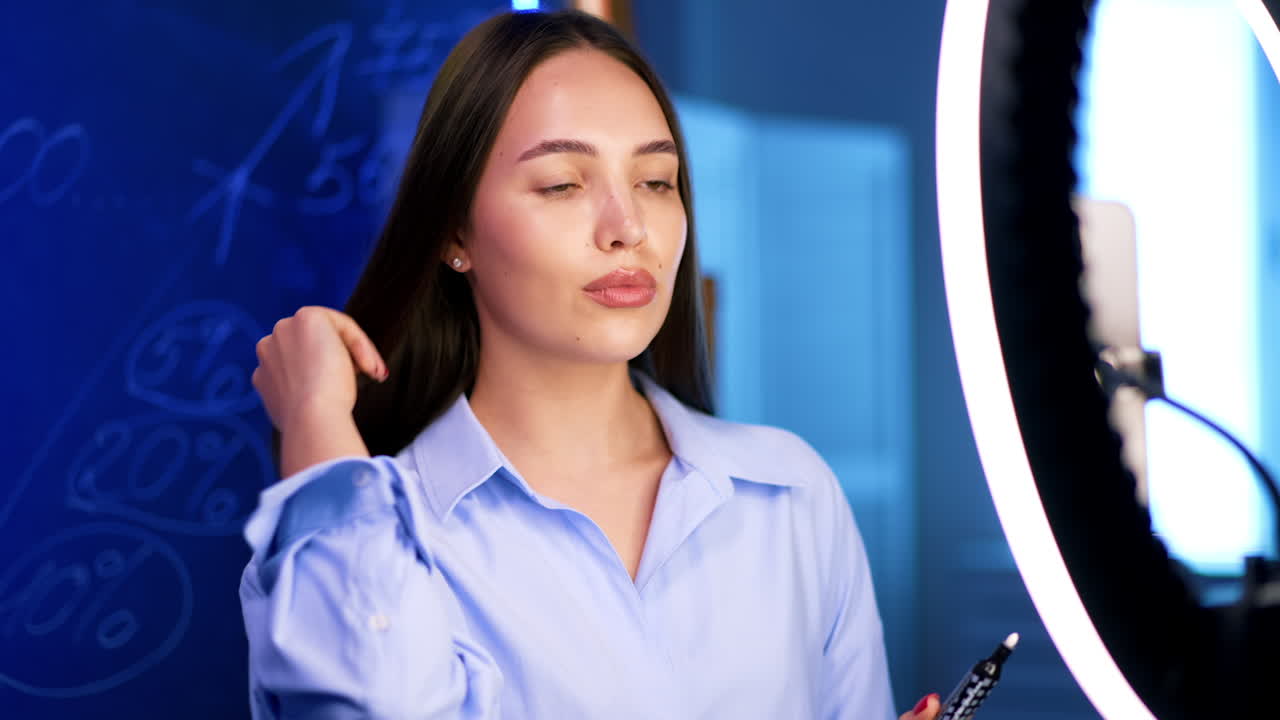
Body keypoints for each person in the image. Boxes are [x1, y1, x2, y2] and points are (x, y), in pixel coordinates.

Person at [241, 8, 939, 719]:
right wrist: (317, 424)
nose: (628, 228)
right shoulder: (372, 536)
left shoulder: (789, 494)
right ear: (455, 232)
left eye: (656, 181)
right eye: (562, 185)